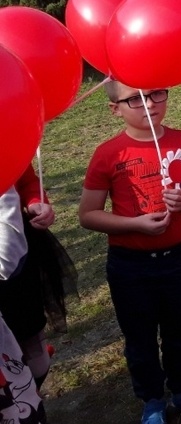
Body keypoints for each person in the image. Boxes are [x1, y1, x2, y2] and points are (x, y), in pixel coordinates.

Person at [78, 82, 181, 424]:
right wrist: (136, 224)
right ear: (115, 108)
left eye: (157, 93)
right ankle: (153, 401)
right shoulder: (108, 153)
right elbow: (87, 215)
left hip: (180, 259)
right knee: (140, 339)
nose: (149, 104)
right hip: (131, 267)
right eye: (135, 99)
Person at [0, 165, 76, 392]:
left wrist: (36, 202)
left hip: (16, 255)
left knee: (31, 343)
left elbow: (25, 179)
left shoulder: (6, 139)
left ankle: (31, 400)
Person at [1, 187, 47, 424]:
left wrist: (36, 201)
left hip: (14, 262)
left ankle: (27, 396)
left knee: (30, 348)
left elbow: (27, 180)